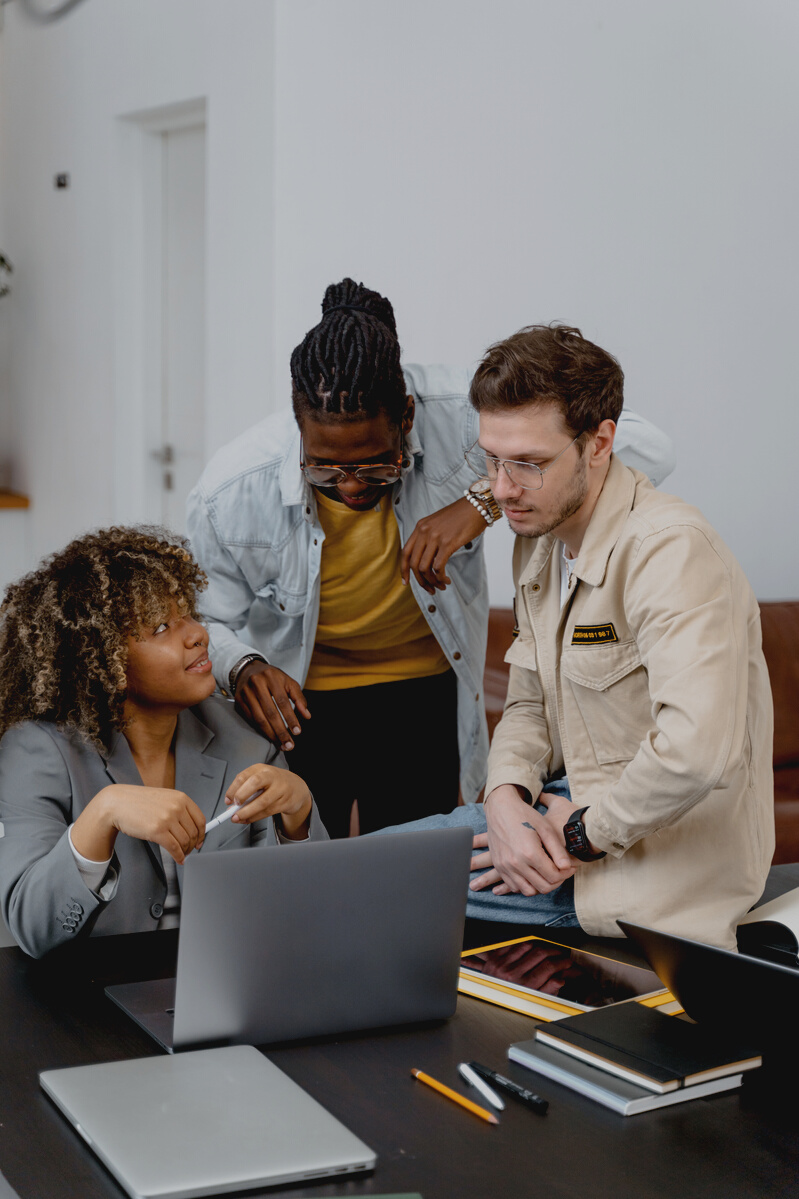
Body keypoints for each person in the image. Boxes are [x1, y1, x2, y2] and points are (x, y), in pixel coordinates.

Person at [187, 279, 676, 838]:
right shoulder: (231, 491)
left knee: (410, 880)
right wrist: (242, 664)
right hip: (300, 703)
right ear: (298, 433)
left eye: (376, 467)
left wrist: (481, 501)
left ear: (408, 419)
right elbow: (203, 616)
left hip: (421, 695)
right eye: (324, 470)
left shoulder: (464, 414)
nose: (349, 488)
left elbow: (649, 448)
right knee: (297, 877)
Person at [376, 324, 774, 951]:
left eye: (528, 464)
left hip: (639, 864)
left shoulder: (669, 550)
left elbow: (698, 749)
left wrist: (584, 832)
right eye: (492, 459)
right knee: (347, 874)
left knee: (356, 882)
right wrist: (506, 799)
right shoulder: (540, 542)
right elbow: (530, 703)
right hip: (556, 820)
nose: (500, 489)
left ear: (600, 443)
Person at [0, 526, 327, 959]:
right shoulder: (36, 751)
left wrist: (298, 816)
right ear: (102, 657)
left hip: (222, 984)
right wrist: (101, 816)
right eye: (160, 627)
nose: (198, 635)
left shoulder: (242, 735)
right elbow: (34, 929)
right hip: (81, 1002)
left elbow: (310, 912)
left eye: (189, 614)